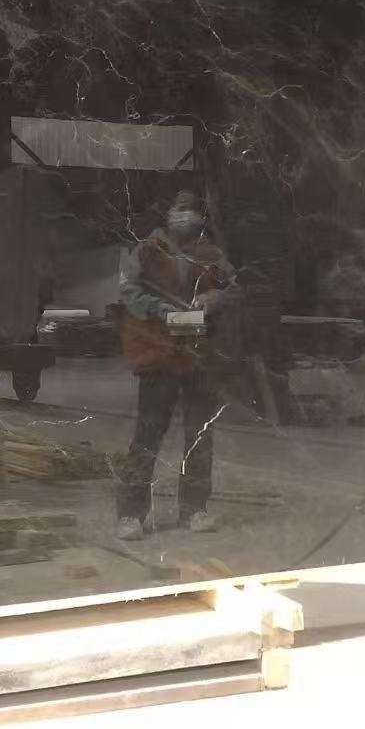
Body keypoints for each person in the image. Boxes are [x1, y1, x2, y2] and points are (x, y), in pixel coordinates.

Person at [116, 190, 236, 540]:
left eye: (191, 210)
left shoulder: (211, 254)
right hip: (158, 354)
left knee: (200, 434)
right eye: (178, 209)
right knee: (148, 434)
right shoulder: (146, 251)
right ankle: (131, 515)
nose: (184, 215)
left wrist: (215, 297)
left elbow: (234, 288)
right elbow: (129, 292)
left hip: (198, 356)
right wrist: (159, 309)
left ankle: (195, 509)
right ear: (166, 213)